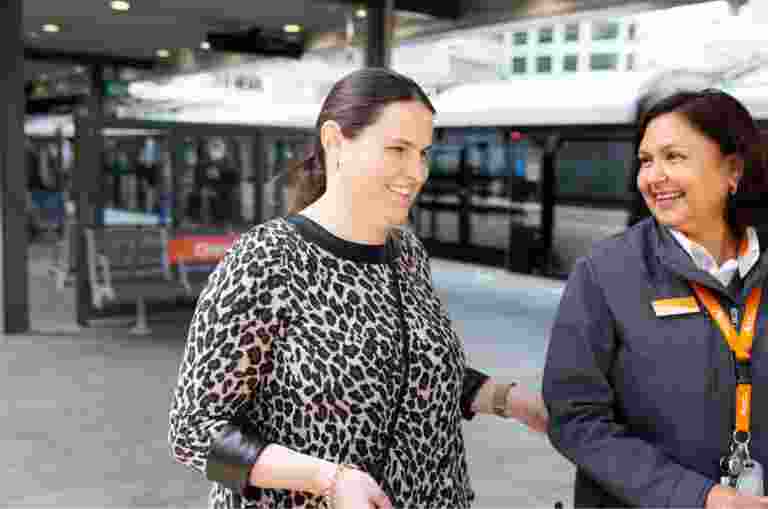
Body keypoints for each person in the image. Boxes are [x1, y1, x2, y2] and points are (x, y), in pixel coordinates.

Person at [168, 67, 548, 509]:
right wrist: (328, 479)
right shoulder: (266, 258)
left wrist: (516, 402)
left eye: (423, 153)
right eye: (397, 149)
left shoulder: (404, 251)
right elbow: (194, 432)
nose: (416, 171)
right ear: (335, 142)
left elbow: (411, 370)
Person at [543, 88, 768, 508]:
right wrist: (698, 497)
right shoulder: (605, 272)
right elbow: (576, 419)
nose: (653, 176)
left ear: (732, 169)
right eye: (646, 161)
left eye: (674, 157)